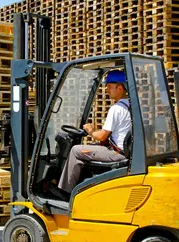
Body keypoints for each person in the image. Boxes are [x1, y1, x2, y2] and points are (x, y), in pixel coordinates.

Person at [51, 69, 131, 200]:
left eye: (110, 86)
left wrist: (90, 130)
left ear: (120, 88)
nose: (107, 89)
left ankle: (65, 193)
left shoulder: (116, 109)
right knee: (90, 147)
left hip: (117, 153)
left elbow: (101, 136)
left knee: (76, 150)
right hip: (122, 150)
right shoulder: (129, 106)